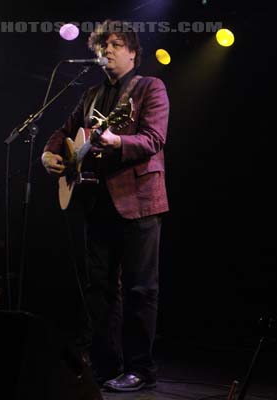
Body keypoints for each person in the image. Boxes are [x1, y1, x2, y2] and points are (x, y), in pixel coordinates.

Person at [41, 19, 169, 392]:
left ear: (132, 52)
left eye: (115, 45)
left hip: (139, 202)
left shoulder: (150, 88)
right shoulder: (91, 95)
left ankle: (141, 370)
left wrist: (116, 142)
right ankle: (105, 365)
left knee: (140, 289)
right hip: (96, 202)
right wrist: (50, 154)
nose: (106, 51)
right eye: (101, 47)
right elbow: (62, 132)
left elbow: (153, 140)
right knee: (100, 290)